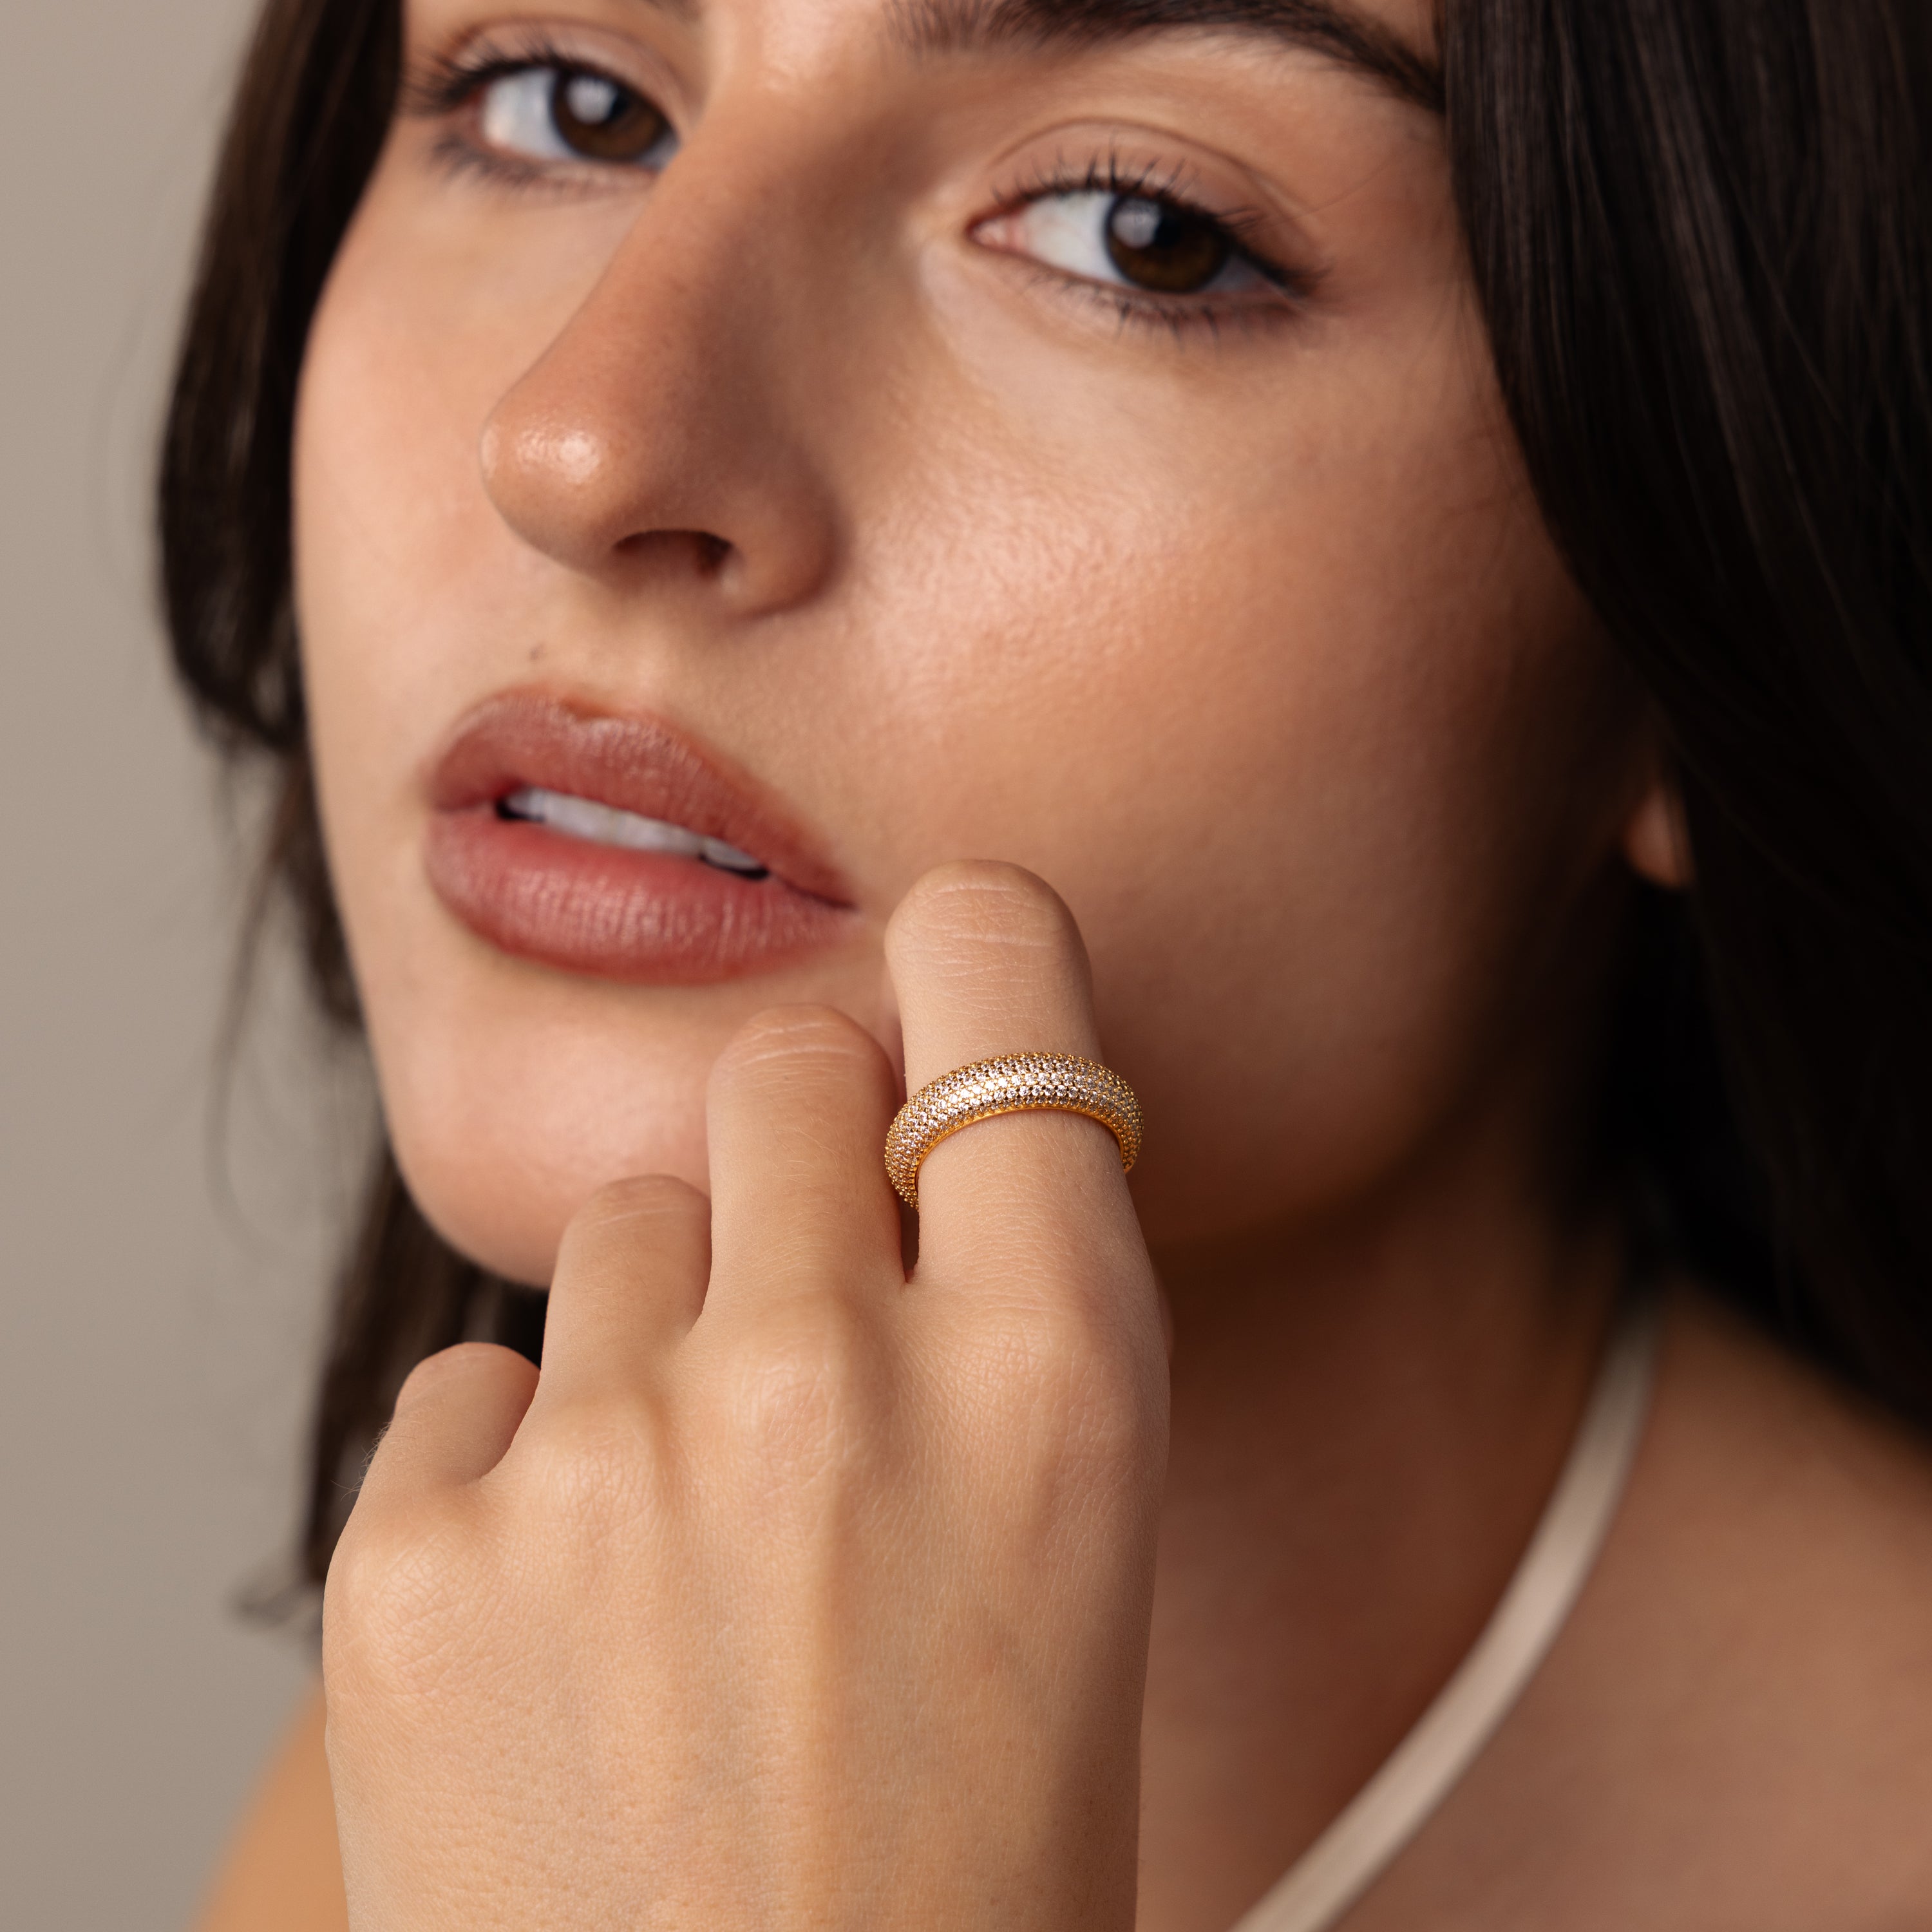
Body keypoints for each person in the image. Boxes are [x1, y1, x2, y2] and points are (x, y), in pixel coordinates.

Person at [171, 0, 1932, 1924]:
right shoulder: (492, 1739)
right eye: (568, 104)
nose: (582, 443)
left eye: (1137, 230)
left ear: (1726, 556)